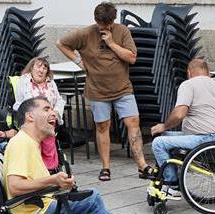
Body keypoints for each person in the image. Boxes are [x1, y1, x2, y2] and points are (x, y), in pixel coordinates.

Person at [3, 97, 179, 214]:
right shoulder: (21, 143)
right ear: (29, 116)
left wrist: (60, 185)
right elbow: (15, 186)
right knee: (92, 198)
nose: (53, 113)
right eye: (46, 109)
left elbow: (31, 184)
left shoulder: (30, 143)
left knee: (100, 213)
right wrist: (53, 180)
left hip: (40, 209)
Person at [56, 1, 151, 181]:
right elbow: (60, 43)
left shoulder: (122, 31)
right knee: (102, 126)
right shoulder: (85, 33)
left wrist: (112, 43)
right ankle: (105, 167)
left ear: (113, 20)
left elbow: (132, 58)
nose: (104, 27)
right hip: (97, 90)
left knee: (133, 124)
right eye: (101, 24)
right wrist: (80, 63)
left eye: (107, 24)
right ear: (96, 20)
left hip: (123, 89)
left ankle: (142, 165)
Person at [150, 58, 215, 199]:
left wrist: (164, 125)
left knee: (158, 143)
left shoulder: (188, 85)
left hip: (202, 139)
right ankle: (169, 173)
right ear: (208, 73)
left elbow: (179, 114)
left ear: (189, 73)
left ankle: (173, 185)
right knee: (165, 136)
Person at [13, 57, 66, 172]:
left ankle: (50, 167)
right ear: (31, 68)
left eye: (45, 67)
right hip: (31, 119)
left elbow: (59, 101)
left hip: (49, 119)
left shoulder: (51, 83)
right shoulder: (24, 81)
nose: (41, 70)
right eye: (39, 66)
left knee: (48, 127)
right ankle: (37, 167)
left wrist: (56, 111)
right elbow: (19, 104)